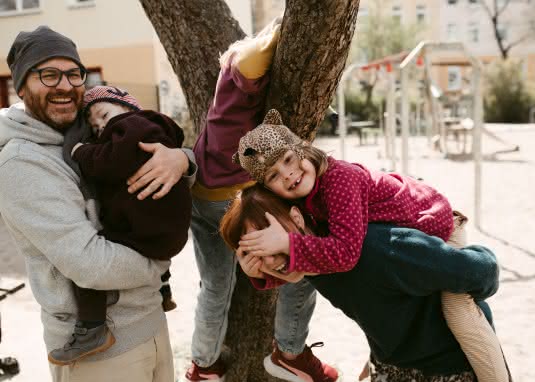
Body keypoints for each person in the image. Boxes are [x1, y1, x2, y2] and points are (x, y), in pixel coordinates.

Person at [234, 110, 509, 382]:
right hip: (404, 262)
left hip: (438, 225)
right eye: (273, 175)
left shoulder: (339, 181)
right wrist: (262, 275)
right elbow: (299, 269)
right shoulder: (309, 219)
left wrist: (287, 243)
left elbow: (347, 255)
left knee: (460, 311)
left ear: (302, 149)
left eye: (288, 159)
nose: (287, 173)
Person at [0, 26, 196, 382]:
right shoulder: (20, 163)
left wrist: (181, 159)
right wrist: (160, 264)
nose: (64, 85)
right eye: (48, 74)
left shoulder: (89, 126)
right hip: (100, 356)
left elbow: (145, 160)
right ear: (22, 84)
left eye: (73, 73)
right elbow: (91, 265)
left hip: (151, 325)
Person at [168, 17, 337, 382]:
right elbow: (256, 57)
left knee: (215, 283)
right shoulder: (242, 65)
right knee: (300, 259)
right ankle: (291, 350)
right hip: (231, 201)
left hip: (203, 193)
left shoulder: (225, 85)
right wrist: (280, 29)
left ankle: (204, 363)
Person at [220, 184, 507, 381]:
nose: (270, 260)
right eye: (255, 253)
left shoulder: (377, 248)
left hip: (448, 366)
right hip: (393, 363)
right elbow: (375, 300)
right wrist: (259, 276)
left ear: (296, 218)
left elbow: (484, 270)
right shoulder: (304, 260)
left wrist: (457, 298)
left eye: (270, 242)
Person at [45, 85, 192, 365]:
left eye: (104, 114)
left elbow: (107, 162)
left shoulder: (131, 126)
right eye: (96, 125)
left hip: (148, 231)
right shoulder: (152, 130)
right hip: (165, 233)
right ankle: (163, 288)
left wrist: (79, 151)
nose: (102, 126)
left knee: (88, 261)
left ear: (128, 107)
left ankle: (91, 328)